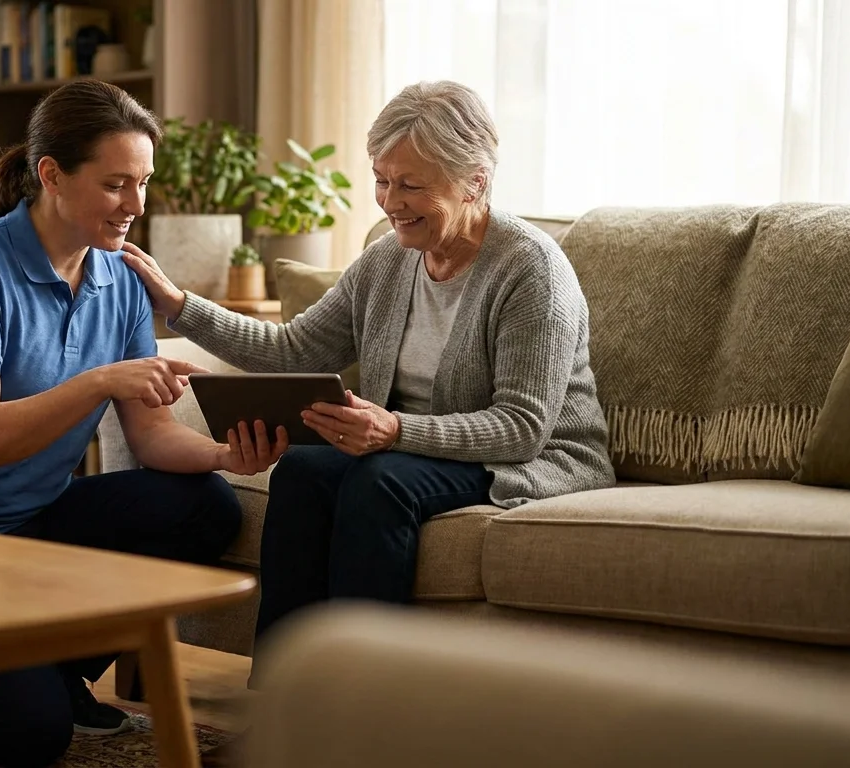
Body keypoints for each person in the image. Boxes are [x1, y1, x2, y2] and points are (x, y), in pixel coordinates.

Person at [122, 77, 617, 709]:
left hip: (530, 456)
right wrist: (183, 307)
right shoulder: (388, 260)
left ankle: (364, 707)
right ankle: (288, 701)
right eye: (381, 180)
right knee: (302, 469)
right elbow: (294, 349)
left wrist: (395, 431)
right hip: (407, 448)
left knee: (376, 481)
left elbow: (522, 426)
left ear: (475, 182)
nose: (390, 201)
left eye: (411, 185)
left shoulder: (530, 269)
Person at [0, 80, 287, 768]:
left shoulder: (119, 280)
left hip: (31, 531)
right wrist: (97, 380)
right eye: (117, 183)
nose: (136, 205)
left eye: (143, 183)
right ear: (51, 175)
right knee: (31, 738)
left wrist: (223, 456)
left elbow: (150, 438)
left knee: (202, 507)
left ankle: (53, 670)